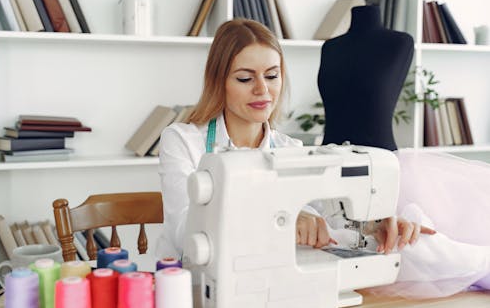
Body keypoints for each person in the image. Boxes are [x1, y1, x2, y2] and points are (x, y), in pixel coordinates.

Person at [156, 18, 429, 263]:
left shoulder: (290, 151)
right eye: (244, 78)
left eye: (272, 76)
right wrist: (282, 219)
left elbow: (332, 215)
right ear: (219, 81)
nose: (262, 89)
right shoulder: (182, 141)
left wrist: (373, 226)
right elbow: (184, 233)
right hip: (187, 287)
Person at [317, 5, 490, 298]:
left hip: (383, 165)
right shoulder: (330, 47)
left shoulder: (400, 43)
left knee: (414, 249)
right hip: (330, 163)